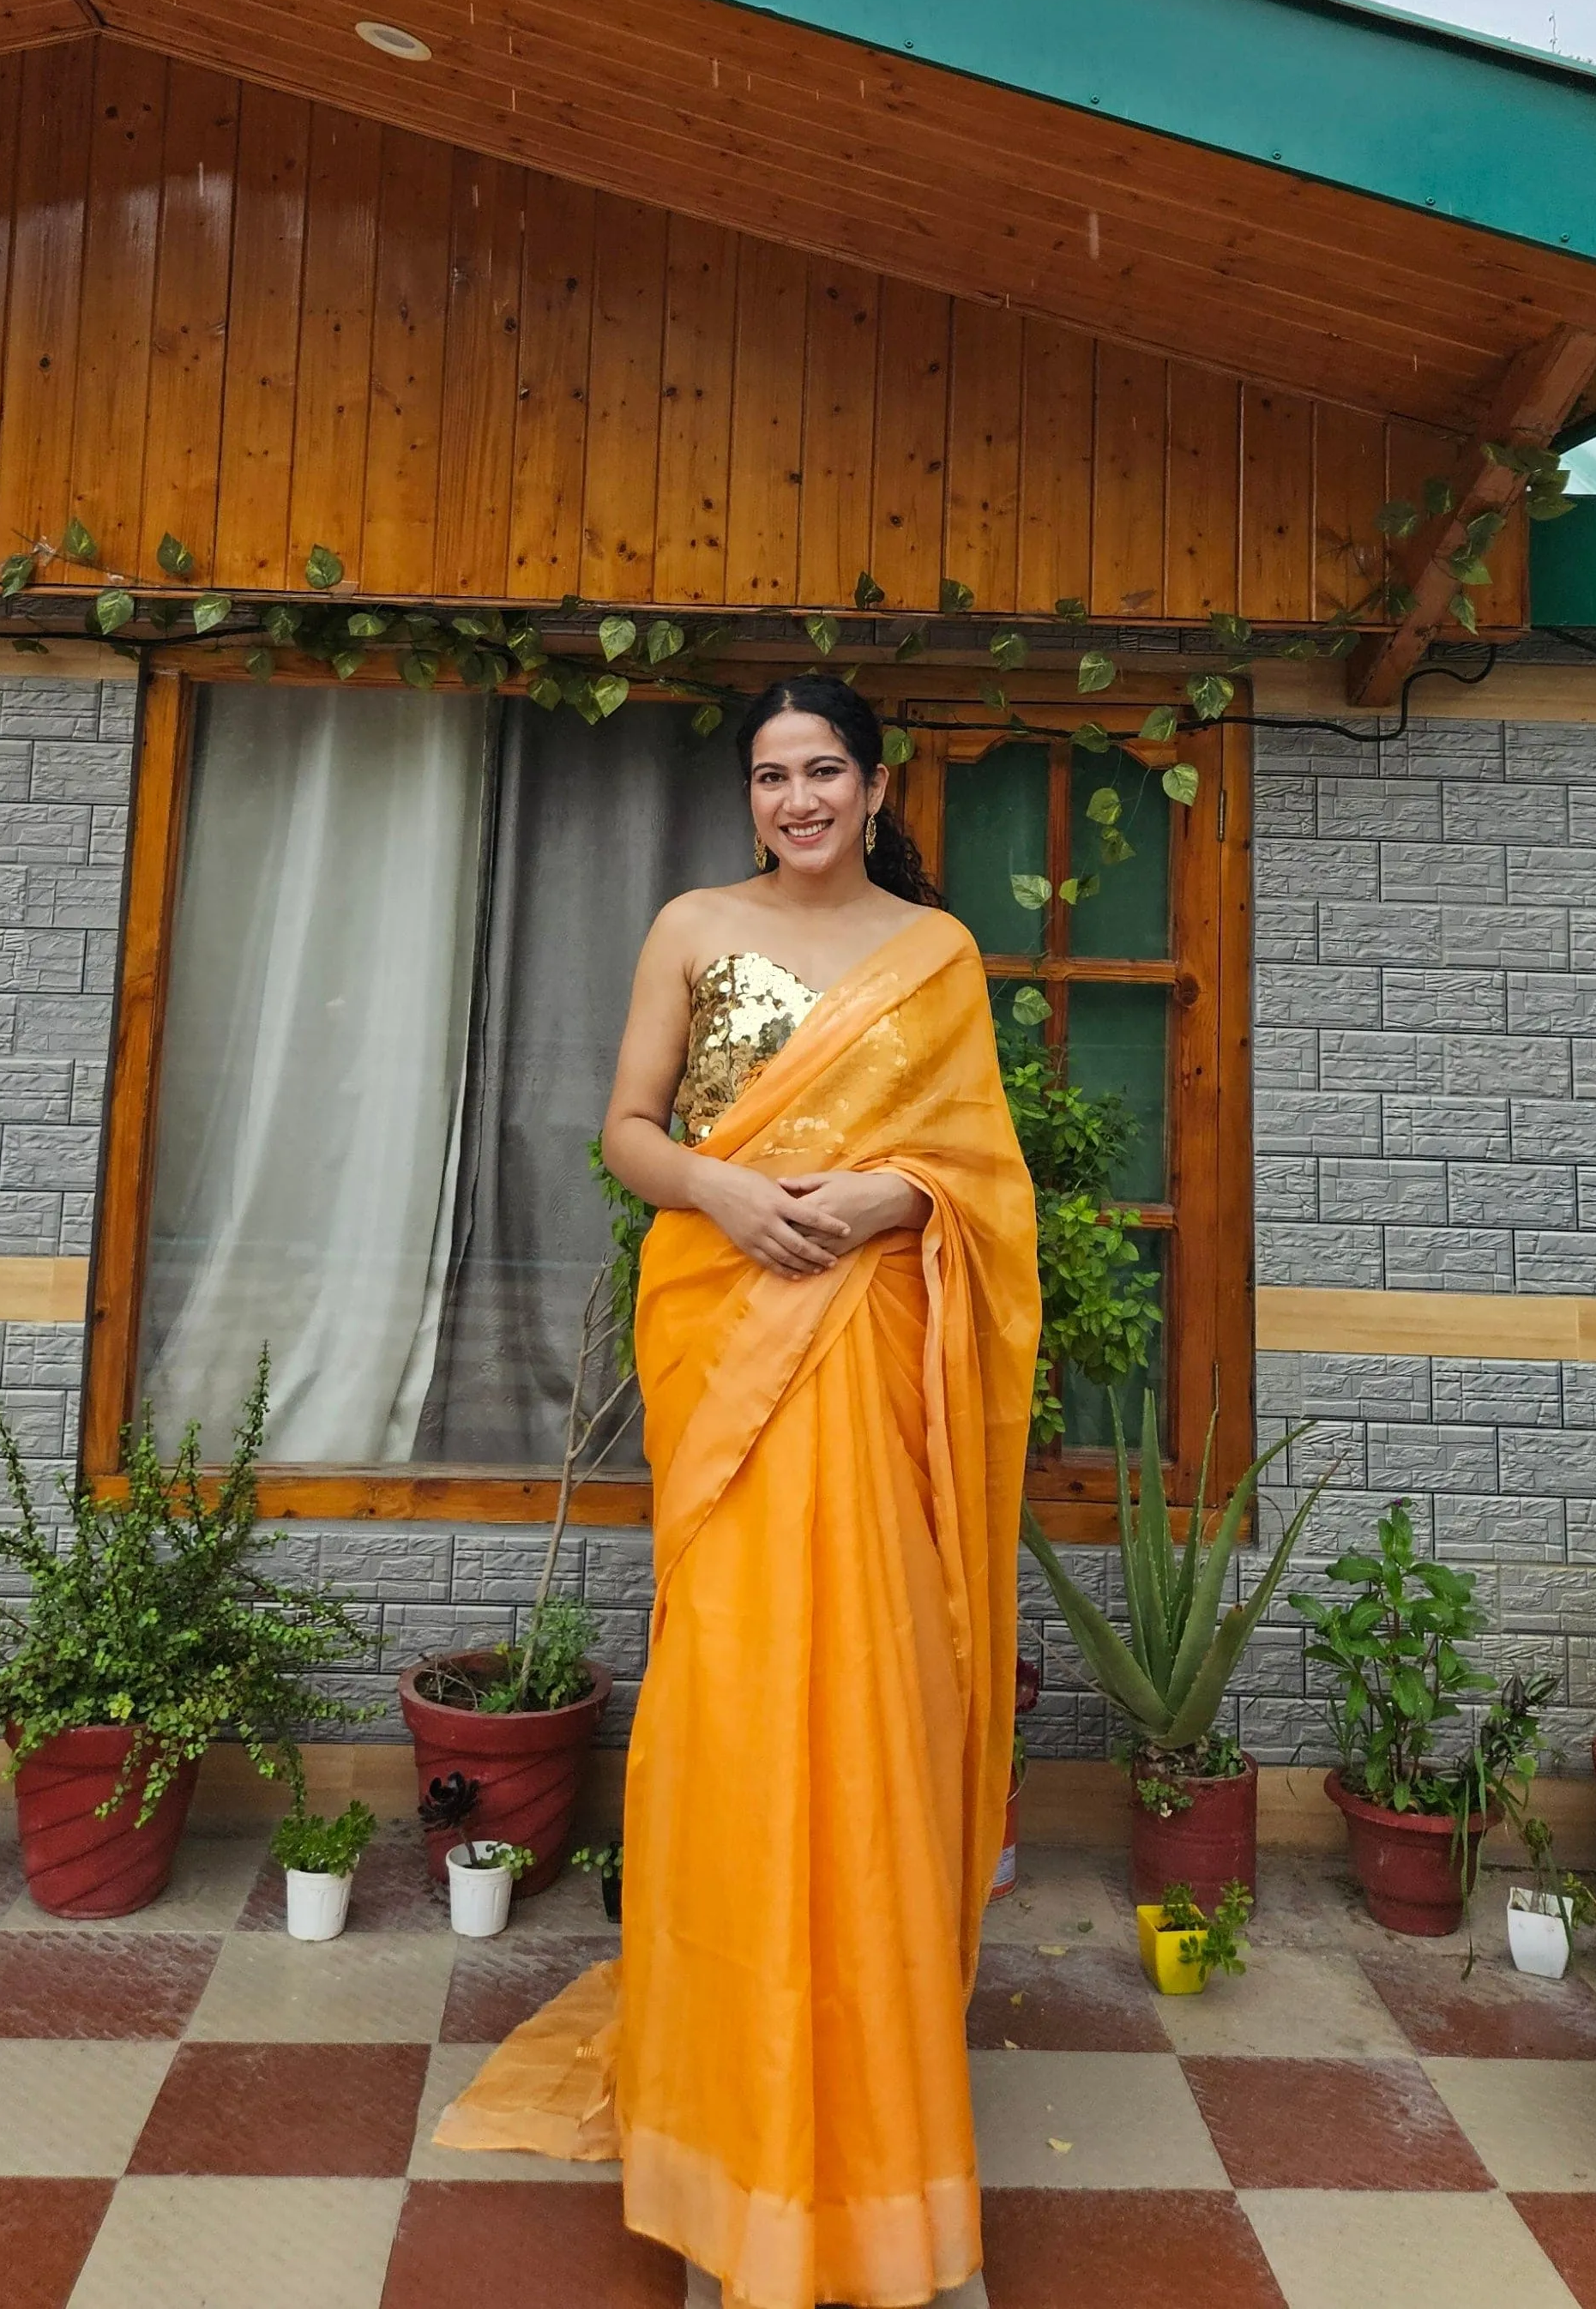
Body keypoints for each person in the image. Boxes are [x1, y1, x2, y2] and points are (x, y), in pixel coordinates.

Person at [437, 674, 1039, 2309]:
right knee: (739, 1714)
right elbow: (630, 1130)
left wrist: (885, 1197)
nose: (796, 799)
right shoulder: (694, 924)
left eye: (822, 770)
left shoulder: (938, 954)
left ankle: (879, 2153)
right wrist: (720, 1187)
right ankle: (731, 2162)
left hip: (876, 1371)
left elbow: (983, 1176)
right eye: (772, 775)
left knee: (877, 1716)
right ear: (749, 794)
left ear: (874, 779)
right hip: (733, 1356)